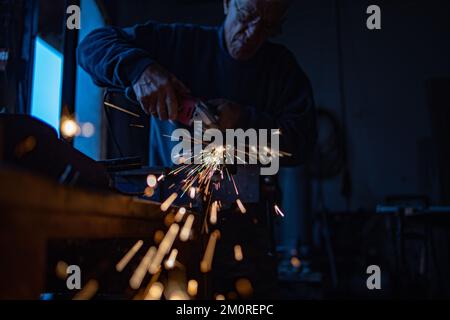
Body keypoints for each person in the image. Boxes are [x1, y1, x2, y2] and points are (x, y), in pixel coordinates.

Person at [78, 0, 317, 298]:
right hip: (172, 226)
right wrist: (140, 70)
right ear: (228, 3)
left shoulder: (281, 70)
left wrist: (245, 120)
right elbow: (91, 45)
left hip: (250, 243)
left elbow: (304, 142)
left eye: (268, 26)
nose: (254, 32)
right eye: (248, 15)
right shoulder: (179, 43)